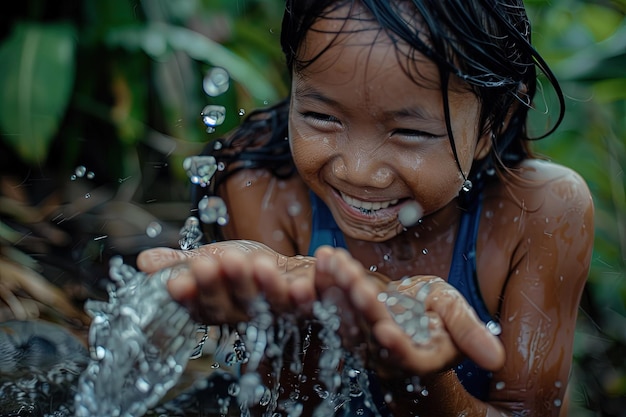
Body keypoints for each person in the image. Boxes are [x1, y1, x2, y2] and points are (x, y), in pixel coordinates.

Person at [138, 0, 594, 416]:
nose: (357, 170)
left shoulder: (538, 212)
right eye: (321, 117)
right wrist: (301, 322)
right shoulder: (264, 187)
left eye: (410, 133)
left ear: (493, 125)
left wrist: (421, 379)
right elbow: (284, 404)